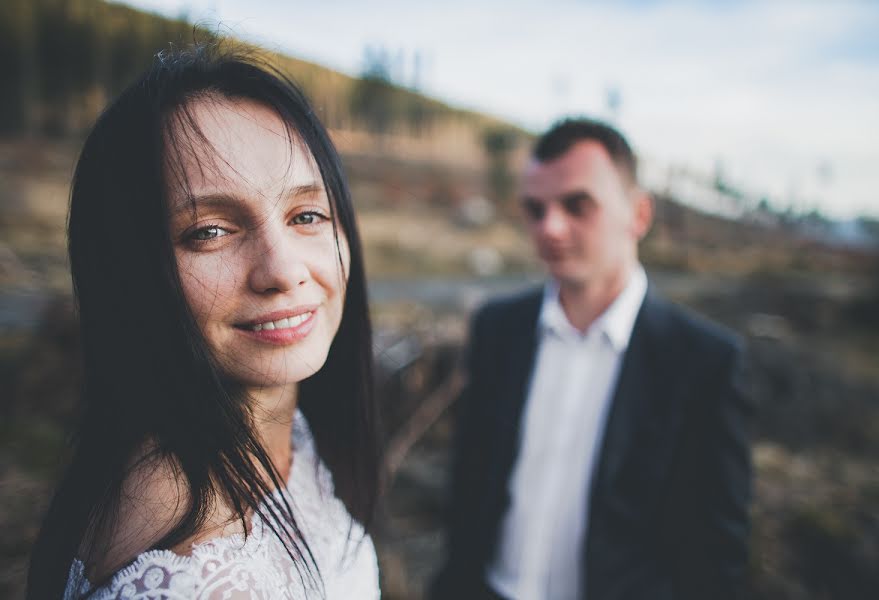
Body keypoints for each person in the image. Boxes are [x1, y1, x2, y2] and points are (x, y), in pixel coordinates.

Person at [27, 42, 380, 599]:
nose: (283, 271)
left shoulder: (277, 430)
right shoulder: (193, 579)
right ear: (129, 271)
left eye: (306, 215)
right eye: (210, 231)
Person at [433, 118, 753, 600]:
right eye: (535, 209)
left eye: (577, 205)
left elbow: (716, 553)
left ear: (638, 214)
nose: (551, 227)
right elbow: (469, 487)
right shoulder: (497, 329)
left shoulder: (704, 362)